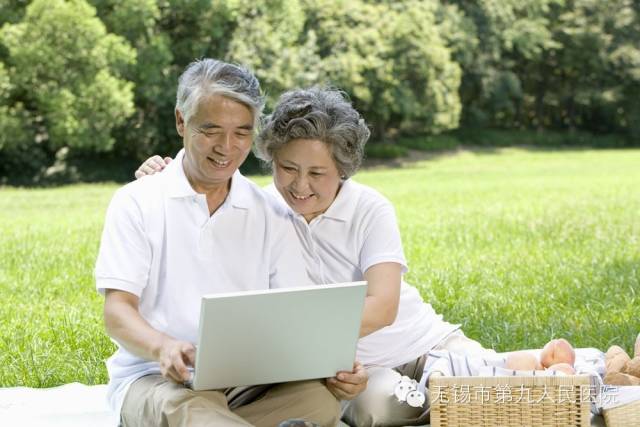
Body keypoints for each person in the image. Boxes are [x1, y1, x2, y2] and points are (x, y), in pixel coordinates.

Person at [136, 87, 499, 426]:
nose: (300, 185)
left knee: (495, 377)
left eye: (317, 173)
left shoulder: (369, 208)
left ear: (343, 169)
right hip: (354, 370)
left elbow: (383, 306)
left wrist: (307, 344)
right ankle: (443, 390)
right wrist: (165, 179)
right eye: (288, 169)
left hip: (421, 342)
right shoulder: (260, 211)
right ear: (271, 159)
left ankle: (454, 374)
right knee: (380, 407)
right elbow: (204, 216)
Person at [95, 61, 353, 427]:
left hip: (245, 382)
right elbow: (117, 311)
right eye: (210, 130)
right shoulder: (136, 202)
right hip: (157, 379)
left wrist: (335, 368)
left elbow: (295, 316)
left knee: (320, 402)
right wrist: (162, 347)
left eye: (241, 133)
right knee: (191, 411)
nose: (226, 148)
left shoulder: (271, 213)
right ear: (181, 121)